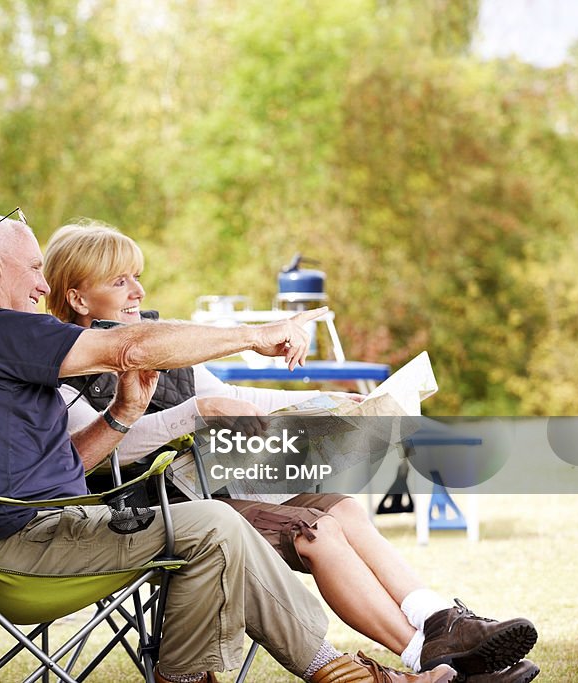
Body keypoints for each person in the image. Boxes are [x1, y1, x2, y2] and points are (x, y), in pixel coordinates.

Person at [0, 210, 459, 683]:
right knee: (215, 524)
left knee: (217, 526)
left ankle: (223, 675)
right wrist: (257, 335)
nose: (41, 284)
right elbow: (130, 346)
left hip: (43, 526)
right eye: (32, 268)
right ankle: (355, 676)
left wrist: (122, 414)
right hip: (25, 542)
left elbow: (68, 461)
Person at [42, 220, 540, 683]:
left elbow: (242, 398)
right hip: (152, 515)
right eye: (120, 281)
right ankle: (422, 660)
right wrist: (192, 412)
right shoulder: (64, 373)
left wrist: (327, 403)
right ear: (77, 297)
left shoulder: (165, 348)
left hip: (220, 489)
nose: (138, 291)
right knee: (315, 531)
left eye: (137, 277)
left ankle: (440, 621)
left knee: (340, 507)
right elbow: (108, 448)